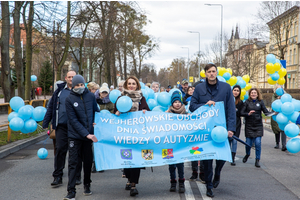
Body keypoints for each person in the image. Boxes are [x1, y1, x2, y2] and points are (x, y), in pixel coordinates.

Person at [190, 63, 235, 198]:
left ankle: (218, 173)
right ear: (205, 73)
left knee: (221, 157)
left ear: (216, 73)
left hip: (222, 129)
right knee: (207, 160)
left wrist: (231, 128)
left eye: (213, 71)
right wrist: (204, 105)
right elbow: (192, 106)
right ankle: (209, 186)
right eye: (209, 71)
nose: (211, 74)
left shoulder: (226, 88)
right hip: (206, 130)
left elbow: (231, 109)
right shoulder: (199, 88)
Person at [43, 70, 82, 188]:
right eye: (69, 77)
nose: (71, 79)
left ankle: (76, 176)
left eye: (73, 77)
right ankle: (58, 176)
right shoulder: (59, 92)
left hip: (76, 127)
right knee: (60, 150)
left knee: (76, 152)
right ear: (66, 78)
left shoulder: (81, 91)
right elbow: (51, 107)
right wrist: (46, 121)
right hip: (61, 126)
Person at [63, 75, 99, 200]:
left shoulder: (90, 96)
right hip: (75, 136)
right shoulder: (69, 99)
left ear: (84, 84)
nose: (80, 87)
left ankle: (87, 184)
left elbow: (96, 111)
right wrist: (86, 133)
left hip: (88, 137)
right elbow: (73, 120)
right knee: (73, 163)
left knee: (88, 162)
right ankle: (71, 191)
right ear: (73, 86)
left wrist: (96, 122)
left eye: (82, 85)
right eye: (77, 85)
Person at [114, 76, 150, 197]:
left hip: (138, 134)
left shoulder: (141, 98)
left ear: (137, 85)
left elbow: (148, 111)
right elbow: (114, 115)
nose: (131, 86)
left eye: (133, 83)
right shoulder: (120, 98)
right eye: (129, 83)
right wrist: (117, 113)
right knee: (126, 158)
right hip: (124, 134)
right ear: (125, 85)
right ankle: (129, 179)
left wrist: (145, 111)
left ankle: (133, 184)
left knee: (136, 159)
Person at [240, 88, 273, 168]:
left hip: (258, 126)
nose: (253, 94)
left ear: (257, 94)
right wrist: (248, 113)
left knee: (258, 143)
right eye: (252, 93)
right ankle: (247, 154)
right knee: (248, 144)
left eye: (255, 93)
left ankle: (257, 160)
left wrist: (273, 113)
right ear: (250, 94)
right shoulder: (246, 102)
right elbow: (241, 112)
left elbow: (266, 112)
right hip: (249, 126)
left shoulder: (260, 102)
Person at [165, 91, 187, 193]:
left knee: (180, 164)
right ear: (172, 103)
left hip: (180, 144)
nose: (177, 104)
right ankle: (173, 183)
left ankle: (181, 183)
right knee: (171, 165)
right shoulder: (167, 114)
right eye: (175, 102)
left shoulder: (186, 113)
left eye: (179, 102)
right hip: (169, 143)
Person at [229, 85, 244, 166]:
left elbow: (241, 112)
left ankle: (233, 157)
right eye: (234, 90)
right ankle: (226, 156)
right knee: (228, 140)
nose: (236, 92)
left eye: (238, 91)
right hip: (228, 123)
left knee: (235, 141)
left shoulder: (240, 102)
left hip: (237, 123)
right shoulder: (228, 100)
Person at [271, 86, 286, 151]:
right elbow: (273, 104)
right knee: (276, 129)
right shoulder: (274, 96)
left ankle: (284, 145)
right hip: (275, 114)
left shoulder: (285, 95)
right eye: (277, 88)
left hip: (283, 115)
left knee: (283, 129)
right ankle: (277, 143)